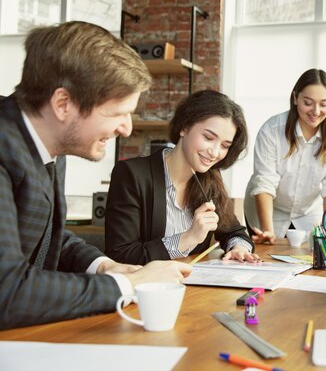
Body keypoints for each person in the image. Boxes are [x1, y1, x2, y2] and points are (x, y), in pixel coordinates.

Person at [0, 21, 191, 330]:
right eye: (117, 113)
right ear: (64, 104)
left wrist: (106, 266)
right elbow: (6, 293)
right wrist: (127, 286)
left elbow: (45, 236)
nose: (126, 128)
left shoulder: (49, 142)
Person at [105, 91, 259, 264]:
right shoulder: (131, 174)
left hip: (195, 288)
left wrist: (239, 248)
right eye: (208, 137)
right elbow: (120, 255)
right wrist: (188, 238)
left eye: (224, 145)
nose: (215, 152)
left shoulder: (210, 178)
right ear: (184, 127)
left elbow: (234, 232)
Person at [244, 68, 326, 243]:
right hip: (269, 210)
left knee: (313, 260)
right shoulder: (272, 129)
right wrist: (268, 232)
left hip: (309, 212)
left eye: (323, 104)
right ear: (295, 98)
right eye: (308, 102)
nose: (316, 111)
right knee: (268, 259)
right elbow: (265, 183)